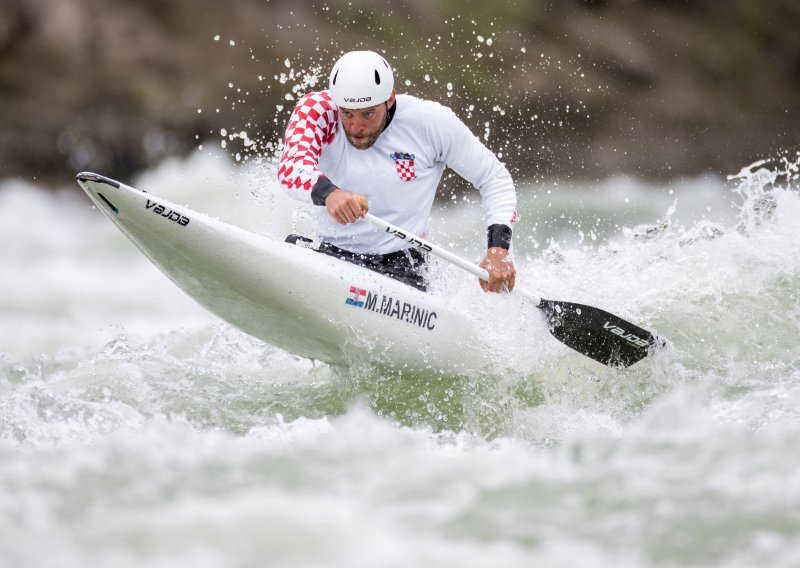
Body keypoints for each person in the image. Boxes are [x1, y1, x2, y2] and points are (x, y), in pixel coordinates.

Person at [277, 50, 517, 293]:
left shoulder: (430, 122)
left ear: (389, 99)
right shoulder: (318, 110)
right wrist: (329, 192)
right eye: (347, 114)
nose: (356, 126)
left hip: (403, 265)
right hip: (330, 253)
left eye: (368, 113)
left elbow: (494, 178)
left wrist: (498, 250)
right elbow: (291, 168)